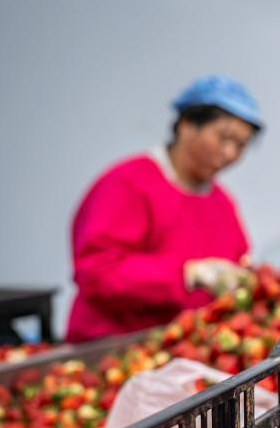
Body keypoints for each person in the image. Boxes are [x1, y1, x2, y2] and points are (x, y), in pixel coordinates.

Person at [66, 74, 263, 342]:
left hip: (187, 350)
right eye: (223, 138)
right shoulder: (127, 184)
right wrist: (189, 274)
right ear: (186, 125)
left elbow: (238, 259)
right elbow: (98, 274)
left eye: (240, 146)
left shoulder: (222, 202)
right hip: (114, 348)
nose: (229, 153)